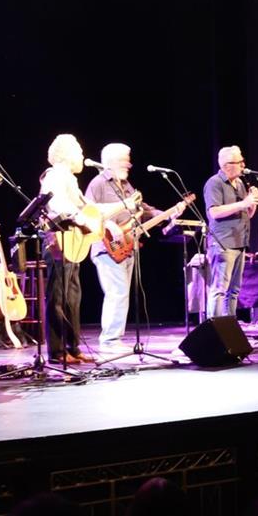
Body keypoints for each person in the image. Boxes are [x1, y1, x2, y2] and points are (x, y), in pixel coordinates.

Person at [83, 143, 161, 350]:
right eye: (124, 159)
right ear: (110, 162)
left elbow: (143, 209)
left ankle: (114, 338)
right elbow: (88, 212)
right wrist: (108, 223)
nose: (129, 163)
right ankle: (110, 340)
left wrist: (164, 213)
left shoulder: (126, 186)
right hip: (106, 247)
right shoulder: (98, 183)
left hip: (126, 247)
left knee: (122, 293)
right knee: (117, 292)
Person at [39, 134, 99, 365]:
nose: (82, 156)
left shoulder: (70, 179)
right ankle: (56, 351)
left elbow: (85, 207)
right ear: (67, 154)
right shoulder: (55, 175)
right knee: (57, 297)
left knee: (72, 297)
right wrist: (82, 220)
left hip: (72, 244)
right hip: (58, 242)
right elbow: (56, 204)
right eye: (79, 151)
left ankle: (73, 346)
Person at [203, 145, 258, 319]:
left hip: (240, 242)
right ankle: (215, 329)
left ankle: (230, 328)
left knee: (234, 290)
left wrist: (252, 203)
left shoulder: (240, 183)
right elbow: (213, 212)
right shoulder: (215, 183)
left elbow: (247, 215)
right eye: (239, 162)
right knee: (220, 289)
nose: (243, 165)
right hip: (223, 243)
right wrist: (243, 203)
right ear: (227, 165)